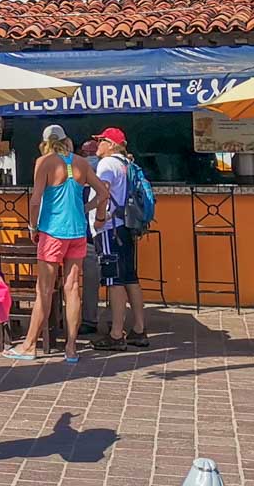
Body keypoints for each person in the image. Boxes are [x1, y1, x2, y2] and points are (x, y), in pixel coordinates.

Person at [4, 123, 109, 364]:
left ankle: (29, 345)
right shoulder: (81, 162)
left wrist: (32, 227)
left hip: (52, 232)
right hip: (77, 231)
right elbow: (103, 192)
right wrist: (95, 214)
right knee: (72, 289)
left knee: (44, 290)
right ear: (66, 140)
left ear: (45, 143)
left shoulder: (44, 163)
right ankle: (71, 348)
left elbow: (35, 201)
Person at [89, 126, 148, 351]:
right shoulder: (127, 164)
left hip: (110, 228)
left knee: (114, 281)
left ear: (111, 144)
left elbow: (103, 193)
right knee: (130, 278)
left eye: (101, 140)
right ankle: (139, 330)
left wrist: (98, 218)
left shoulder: (106, 164)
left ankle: (116, 334)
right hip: (125, 226)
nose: (97, 144)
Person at [78, 139, 102, 334]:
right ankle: (110, 321)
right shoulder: (106, 168)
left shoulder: (78, 171)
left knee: (71, 280)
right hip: (107, 232)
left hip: (84, 234)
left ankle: (88, 320)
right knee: (117, 281)